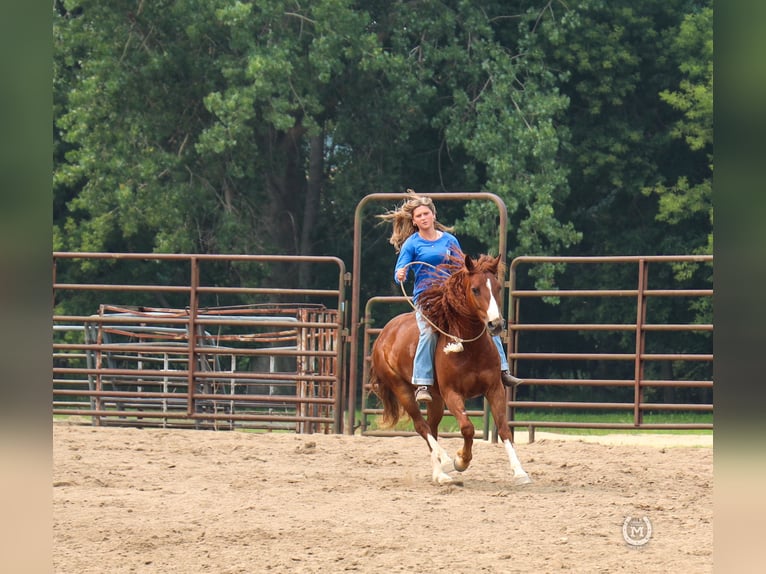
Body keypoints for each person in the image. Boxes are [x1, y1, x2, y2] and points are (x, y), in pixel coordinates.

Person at [378, 190, 520, 403]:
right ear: (414, 221)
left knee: (487, 321)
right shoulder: (412, 244)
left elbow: (461, 267)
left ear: (433, 216)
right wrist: (401, 274)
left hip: (451, 296)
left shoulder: (449, 240)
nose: (424, 218)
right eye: (419, 216)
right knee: (427, 333)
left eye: (426, 213)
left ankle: (502, 369)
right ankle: (423, 382)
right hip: (427, 298)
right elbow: (400, 272)